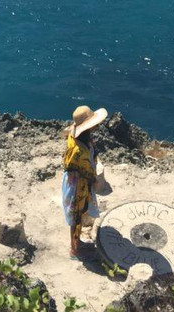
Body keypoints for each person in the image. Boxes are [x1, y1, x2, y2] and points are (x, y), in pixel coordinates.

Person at [62, 104, 107, 260]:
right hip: (78, 187)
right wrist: (93, 180)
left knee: (79, 215)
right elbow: (85, 170)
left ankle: (77, 243)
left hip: (78, 183)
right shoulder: (79, 150)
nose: (97, 126)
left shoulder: (79, 138)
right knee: (77, 217)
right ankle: (74, 250)